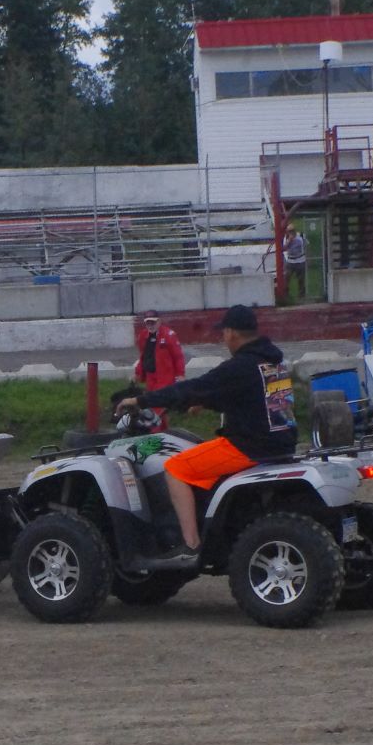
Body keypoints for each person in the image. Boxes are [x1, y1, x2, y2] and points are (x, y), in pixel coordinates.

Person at [115, 305, 298, 564]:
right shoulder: (273, 363)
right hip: (282, 443)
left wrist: (141, 400)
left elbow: (194, 387)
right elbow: (252, 401)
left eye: (223, 333)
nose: (223, 339)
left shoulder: (239, 366)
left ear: (232, 333)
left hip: (249, 447)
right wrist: (207, 402)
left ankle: (190, 545)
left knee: (176, 468)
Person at [132, 312, 186, 397]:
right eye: (148, 323)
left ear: (159, 321)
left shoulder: (169, 335)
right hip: (150, 376)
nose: (150, 326)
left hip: (165, 376)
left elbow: (178, 357)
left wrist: (180, 374)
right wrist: (137, 373)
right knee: (150, 398)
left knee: (160, 399)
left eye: (153, 322)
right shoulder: (143, 336)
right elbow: (143, 357)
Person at [284, 231, 308, 298]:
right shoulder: (286, 237)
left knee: (301, 279)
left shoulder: (301, 236)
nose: (290, 232)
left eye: (292, 230)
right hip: (290, 261)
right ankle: (286, 294)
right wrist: (289, 240)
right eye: (289, 231)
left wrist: (307, 257)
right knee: (287, 278)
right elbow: (284, 247)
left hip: (300, 260)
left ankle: (301, 295)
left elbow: (306, 245)